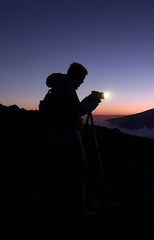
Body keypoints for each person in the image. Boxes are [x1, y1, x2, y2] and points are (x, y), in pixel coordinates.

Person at [39, 62, 101, 229]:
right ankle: (75, 211)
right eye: (83, 78)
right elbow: (76, 111)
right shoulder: (67, 90)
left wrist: (87, 101)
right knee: (80, 173)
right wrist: (94, 103)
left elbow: (71, 108)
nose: (83, 82)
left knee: (60, 174)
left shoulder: (60, 87)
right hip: (68, 138)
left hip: (55, 137)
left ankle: (57, 207)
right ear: (78, 76)